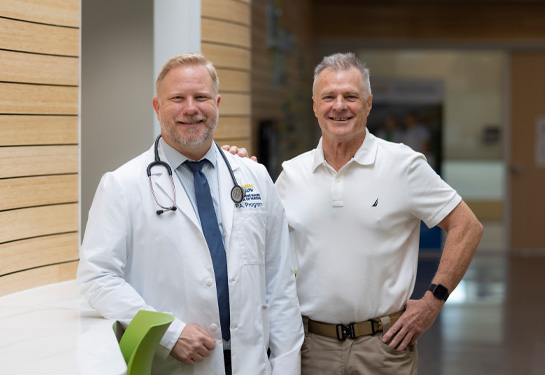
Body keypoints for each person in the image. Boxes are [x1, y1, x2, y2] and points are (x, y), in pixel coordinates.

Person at [226, 52, 483, 374]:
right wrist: (238, 173)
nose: (339, 106)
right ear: (315, 105)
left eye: (351, 96)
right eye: (329, 97)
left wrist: (433, 301)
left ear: (368, 103)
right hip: (309, 348)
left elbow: (467, 226)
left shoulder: (404, 165)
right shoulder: (292, 174)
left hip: (385, 347)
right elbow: (256, 242)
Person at [77, 52, 304, 375]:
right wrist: (168, 333)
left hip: (252, 364)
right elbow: (96, 277)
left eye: (201, 97)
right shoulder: (123, 185)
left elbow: (279, 284)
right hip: (175, 365)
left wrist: (285, 367)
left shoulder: (254, 177)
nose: (191, 108)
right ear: (157, 107)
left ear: (217, 103)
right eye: (177, 98)